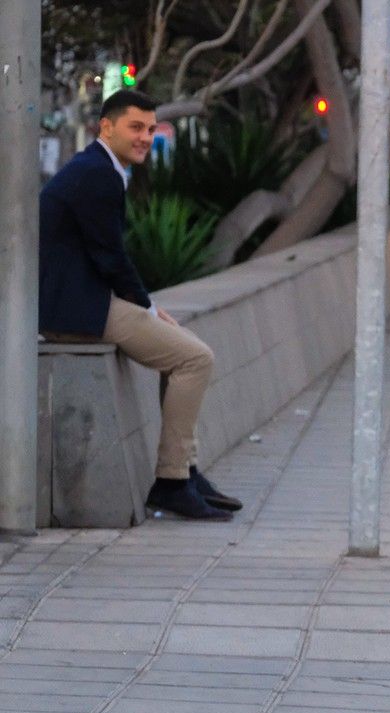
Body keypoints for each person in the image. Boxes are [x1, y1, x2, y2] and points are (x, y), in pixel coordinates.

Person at [39, 89, 241, 521]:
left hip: (80, 302)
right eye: (136, 127)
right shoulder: (97, 174)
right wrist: (147, 308)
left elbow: (104, 255)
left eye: (151, 129)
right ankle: (172, 482)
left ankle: (184, 470)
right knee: (195, 359)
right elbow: (111, 257)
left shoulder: (97, 168)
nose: (146, 137)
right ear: (105, 127)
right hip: (75, 312)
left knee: (183, 350)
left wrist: (147, 308)